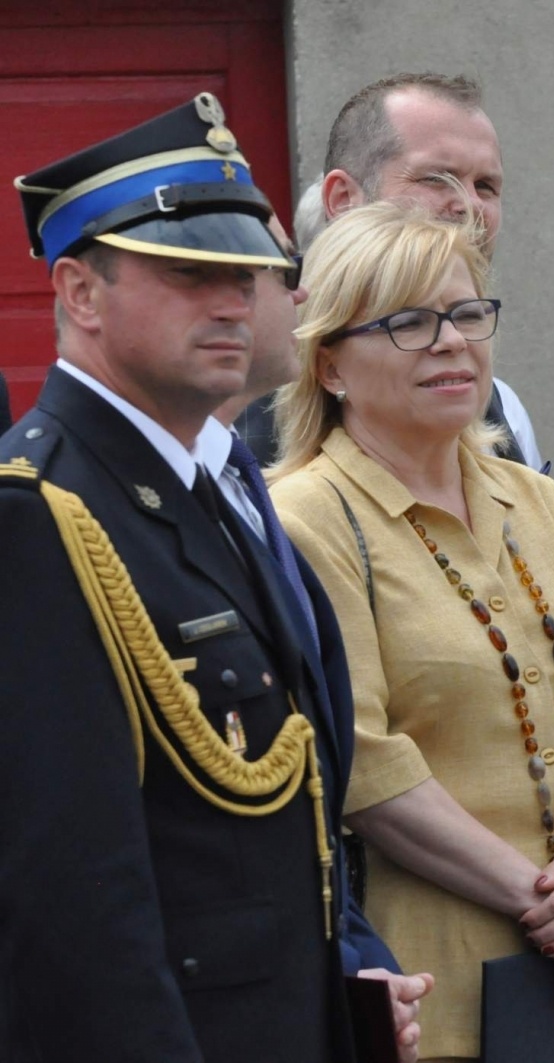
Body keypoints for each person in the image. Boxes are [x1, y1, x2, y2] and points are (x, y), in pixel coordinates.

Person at [0, 94, 354, 1062]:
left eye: (245, 271)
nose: (236, 298)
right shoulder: (40, 514)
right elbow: (78, 909)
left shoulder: (205, 489)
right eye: (192, 270)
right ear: (79, 294)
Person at [268, 201, 554, 1061]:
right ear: (329, 364)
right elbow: (363, 759)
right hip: (434, 989)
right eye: (408, 321)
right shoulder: (306, 517)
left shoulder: (533, 495)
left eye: (468, 313)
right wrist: (553, 906)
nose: (451, 341)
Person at [205, 213, 434, 1061]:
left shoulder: (230, 477)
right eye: (411, 322)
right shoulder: (302, 501)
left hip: (346, 976)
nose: (282, 293)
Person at [237, 73, 542, 469]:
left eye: (485, 186)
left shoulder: (502, 412)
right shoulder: (228, 411)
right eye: (436, 178)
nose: (470, 206)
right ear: (343, 200)